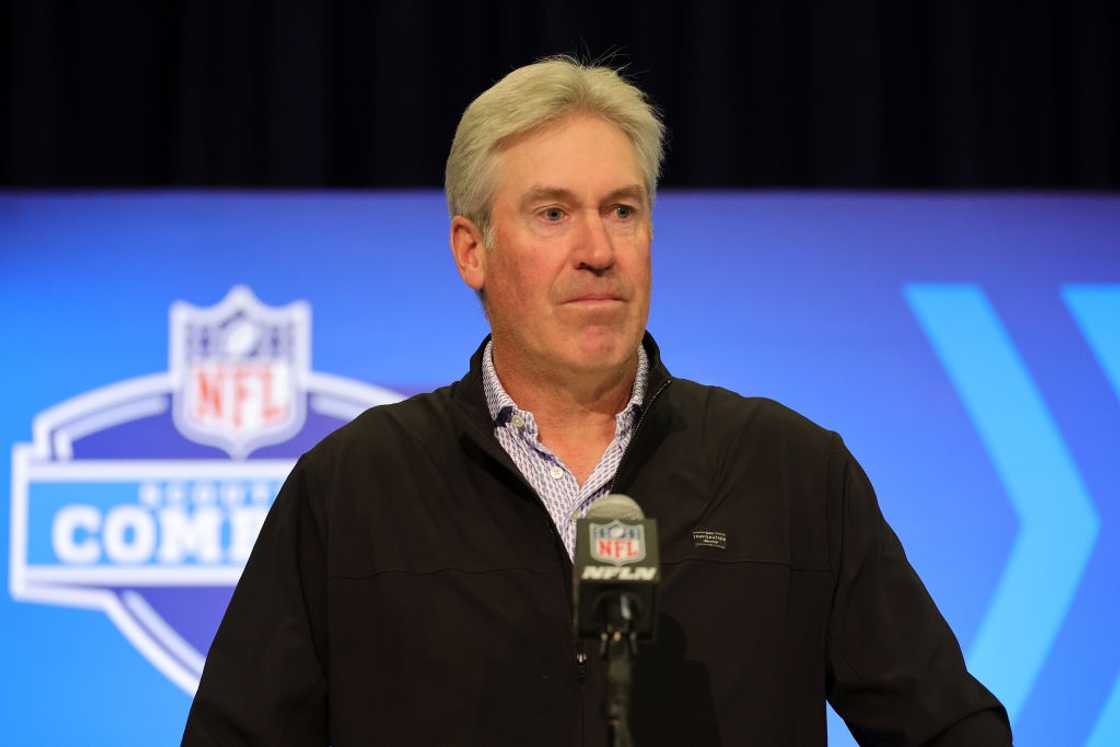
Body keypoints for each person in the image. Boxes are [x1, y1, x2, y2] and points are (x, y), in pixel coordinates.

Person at [182, 57, 1012, 746]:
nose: (598, 252)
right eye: (553, 214)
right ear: (472, 249)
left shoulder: (790, 470)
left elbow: (951, 730)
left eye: (623, 211)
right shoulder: (352, 486)